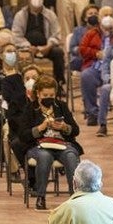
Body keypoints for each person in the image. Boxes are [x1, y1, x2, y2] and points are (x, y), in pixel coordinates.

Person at [23, 75, 83, 211]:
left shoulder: (61, 106)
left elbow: (75, 130)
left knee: (71, 156)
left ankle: (76, 198)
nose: (49, 97)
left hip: (63, 144)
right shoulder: (30, 109)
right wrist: (41, 128)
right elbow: (23, 135)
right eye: (45, 94)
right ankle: (40, 197)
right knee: (45, 157)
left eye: (52, 94)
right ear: (38, 94)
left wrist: (64, 127)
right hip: (38, 146)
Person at [12, 0, 65, 87]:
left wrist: (48, 46)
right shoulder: (20, 15)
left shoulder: (50, 14)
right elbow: (16, 35)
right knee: (19, 56)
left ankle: (58, 83)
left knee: (58, 52)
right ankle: (22, 85)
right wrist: (28, 46)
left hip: (46, 47)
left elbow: (56, 34)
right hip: (26, 48)